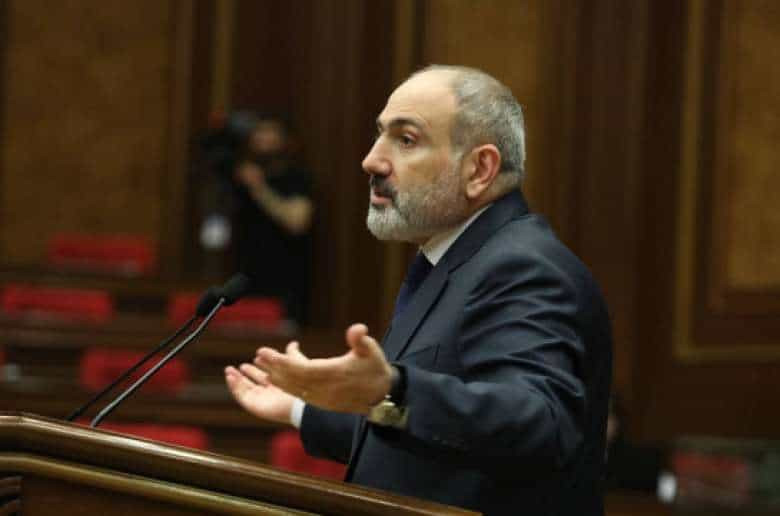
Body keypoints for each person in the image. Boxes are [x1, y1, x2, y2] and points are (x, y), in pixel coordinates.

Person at [225, 65, 613, 515]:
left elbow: (539, 425)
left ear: (479, 169)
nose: (371, 160)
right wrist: (302, 409)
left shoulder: (523, 267)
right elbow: (433, 439)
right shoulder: (455, 261)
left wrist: (391, 387)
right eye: (380, 135)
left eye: (406, 139)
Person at [231, 115, 314, 323]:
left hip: (284, 281)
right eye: (259, 132)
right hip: (245, 280)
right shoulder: (240, 178)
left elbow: (297, 222)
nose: (264, 138)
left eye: (270, 132)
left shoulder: (296, 177)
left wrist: (259, 188)